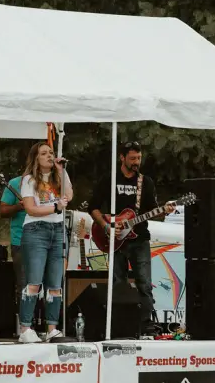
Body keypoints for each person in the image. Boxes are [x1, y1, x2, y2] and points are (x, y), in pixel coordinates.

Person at [88, 141, 174, 336]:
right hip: (115, 239)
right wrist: (107, 226)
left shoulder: (146, 182)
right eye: (133, 158)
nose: (136, 162)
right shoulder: (109, 179)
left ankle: (146, 325)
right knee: (119, 283)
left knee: (144, 283)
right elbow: (92, 207)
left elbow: (151, 209)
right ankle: (119, 323)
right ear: (122, 157)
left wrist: (164, 209)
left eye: (139, 158)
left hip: (139, 238)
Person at [18, 142, 73, 343]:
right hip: (36, 230)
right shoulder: (29, 180)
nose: (49, 156)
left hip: (58, 230)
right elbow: (30, 209)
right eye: (44, 153)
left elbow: (69, 196)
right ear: (36, 158)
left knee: (55, 283)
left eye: (51, 152)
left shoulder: (60, 176)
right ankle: (25, 328)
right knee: (34, 282)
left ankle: (52, 328)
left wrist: (62, 170)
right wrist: (55, 209)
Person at [0, 174, 26, 331]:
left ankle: (47, 325)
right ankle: (24, 327)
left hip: (46, 240)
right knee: (24, 284)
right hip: (21, 240)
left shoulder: (49, 184)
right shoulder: (15, 183)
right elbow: (3, 210)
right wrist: (18, 206)